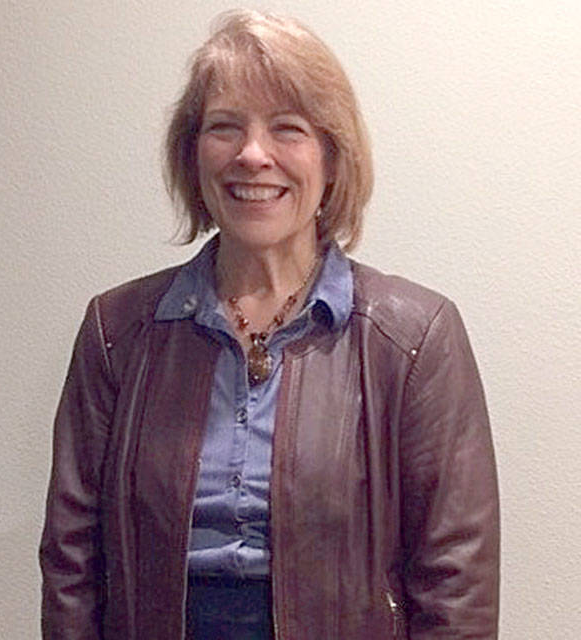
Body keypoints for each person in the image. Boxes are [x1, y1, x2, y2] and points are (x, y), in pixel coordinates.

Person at [39, 9, 499, 639]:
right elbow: (71, 566)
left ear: (332, 158)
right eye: (225, 127)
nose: (253, 155)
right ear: (192, 155)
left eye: (287, 129)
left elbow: (457, 585)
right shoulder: (117, 333)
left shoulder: (414, 339)